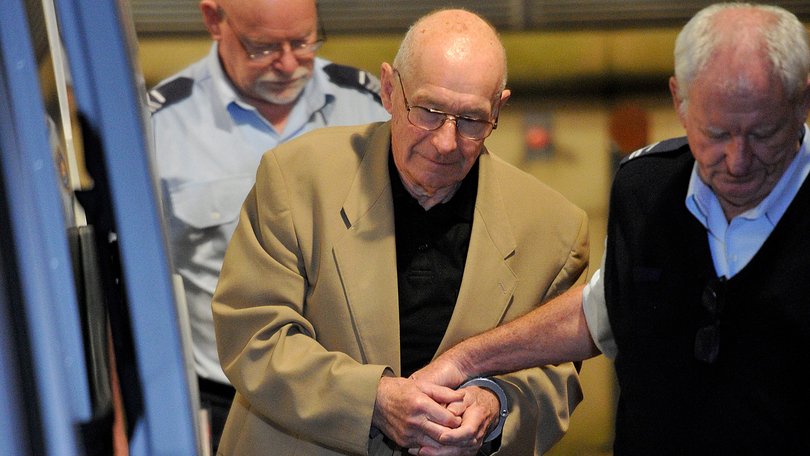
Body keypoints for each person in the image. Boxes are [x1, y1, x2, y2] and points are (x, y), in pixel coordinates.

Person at [412, 3, 810, 455]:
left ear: (803, 102)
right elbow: (603, 308)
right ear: (679, 100)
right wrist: (466, 361)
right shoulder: (646, 189)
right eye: (716, 134)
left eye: (763, 134)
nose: (738, 161)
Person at [211, 8, 590, 456]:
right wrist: (373, 400)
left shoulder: (555, 230)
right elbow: (254, 335)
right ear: (389, 90)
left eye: (471, 120)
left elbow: (555, 373)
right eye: (428, 112)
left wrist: (497, 405)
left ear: (499, 109)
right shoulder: (296, 180)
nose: (446, 142)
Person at [148, 0, 390, 451]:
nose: (286, 64)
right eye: (262, 48)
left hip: (356, 399)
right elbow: (131, 284)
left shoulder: (370, 108)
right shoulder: (161, 129)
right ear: (214, 21)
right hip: (224, 402)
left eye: (303, 42)